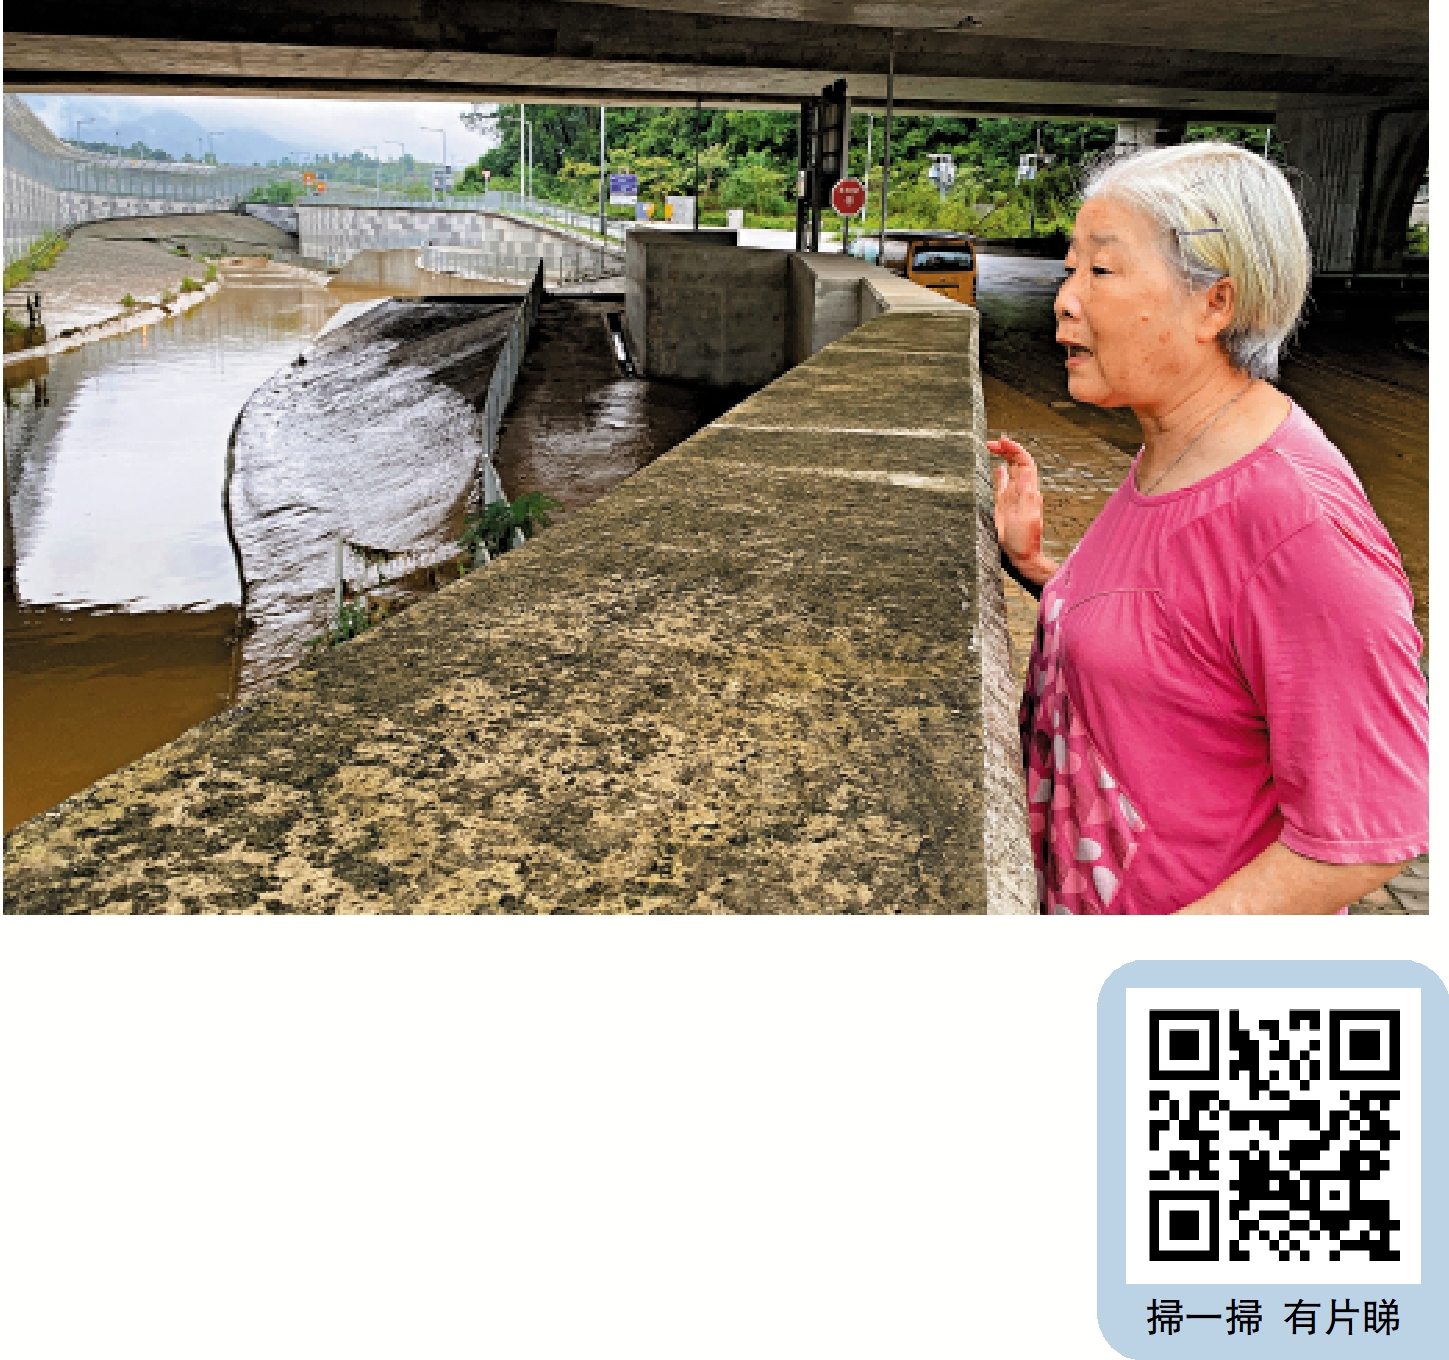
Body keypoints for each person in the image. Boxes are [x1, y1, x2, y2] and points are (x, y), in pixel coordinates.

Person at [990, 141, 1427, 915]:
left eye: (1100, 270)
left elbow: (1369, 836)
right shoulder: (1173, 451)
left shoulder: (1297, 524)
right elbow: (1187, 649)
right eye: (1069, 269)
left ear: (1214, 304)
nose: (1065, 299)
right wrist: (1042, 570)